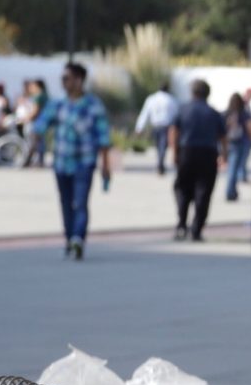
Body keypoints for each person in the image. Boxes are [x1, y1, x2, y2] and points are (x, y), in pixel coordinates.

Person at [34, 61, 116, 259]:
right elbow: (40, 126)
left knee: (80, 202)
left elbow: (104, 137)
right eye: (63, 79)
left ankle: (78, 238)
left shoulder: (93, 105)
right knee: (65, 202)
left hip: (84, 162)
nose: (63, 82)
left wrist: (106, 165)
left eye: (67, 78)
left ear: (79, 80)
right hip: (61, 162)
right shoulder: (58, 104)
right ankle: (69, 237)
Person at [167, 79, 225, 242]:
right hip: (208, 153)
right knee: (204, 191)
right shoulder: (214, 113)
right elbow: (223, 136)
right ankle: (196, 229)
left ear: (192, 93)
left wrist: (174, 152)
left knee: (182, 189)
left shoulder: (183, 110)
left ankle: (181, 224)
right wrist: (224, 155)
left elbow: (174, 131)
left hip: (187, 152)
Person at [136, 81, 179, 176]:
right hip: (166, 127)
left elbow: (145, 114)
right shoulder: (171, 100)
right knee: (162, 146)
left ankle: (160, 163)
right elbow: (176, 115)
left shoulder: (152, 99)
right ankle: (160, 163)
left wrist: (139, 127)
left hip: (156, 126)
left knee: (159, 146)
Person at [223, 92, 251, 200]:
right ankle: (230, 191)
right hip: (240, 142)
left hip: (229, 142)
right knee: (234, 167)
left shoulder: (226, 113)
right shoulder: (243, 113)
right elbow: (250, 128)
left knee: (231, 167)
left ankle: (232, 189)